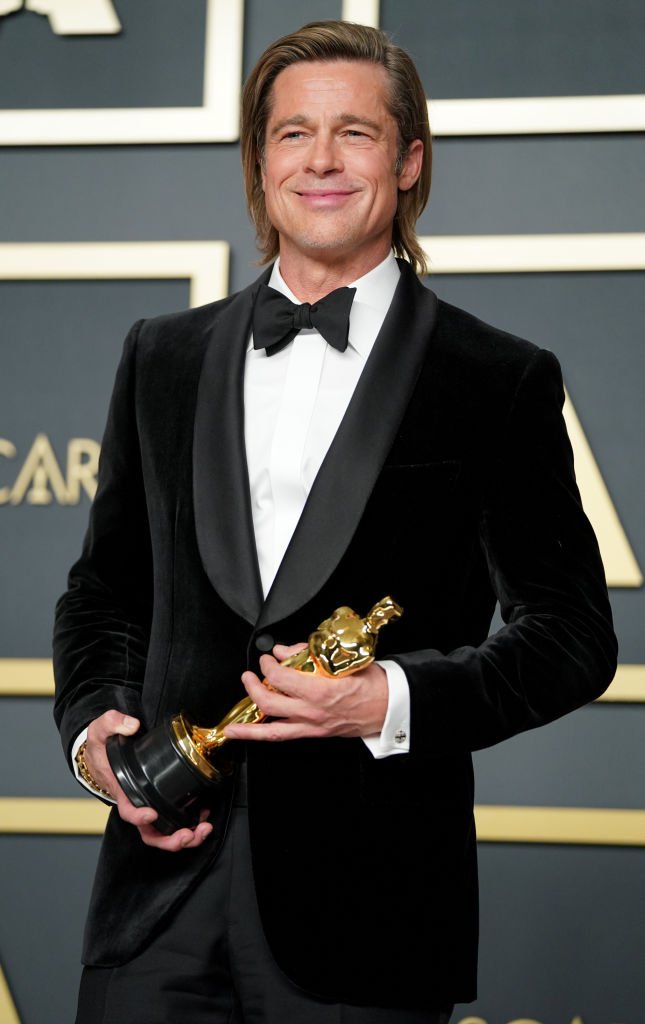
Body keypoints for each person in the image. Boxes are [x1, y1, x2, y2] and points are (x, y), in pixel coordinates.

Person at [53, 19, 617, 1024]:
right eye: (291, 134)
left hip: (375, 917)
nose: (319, 160)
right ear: (258, 162)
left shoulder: (498, 378)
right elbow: (105, 593)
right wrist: (95, 734)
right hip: (154, 905)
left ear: (407, 162)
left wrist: (388, 701)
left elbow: (574, 638)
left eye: (354, 133)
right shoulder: (162, 355)